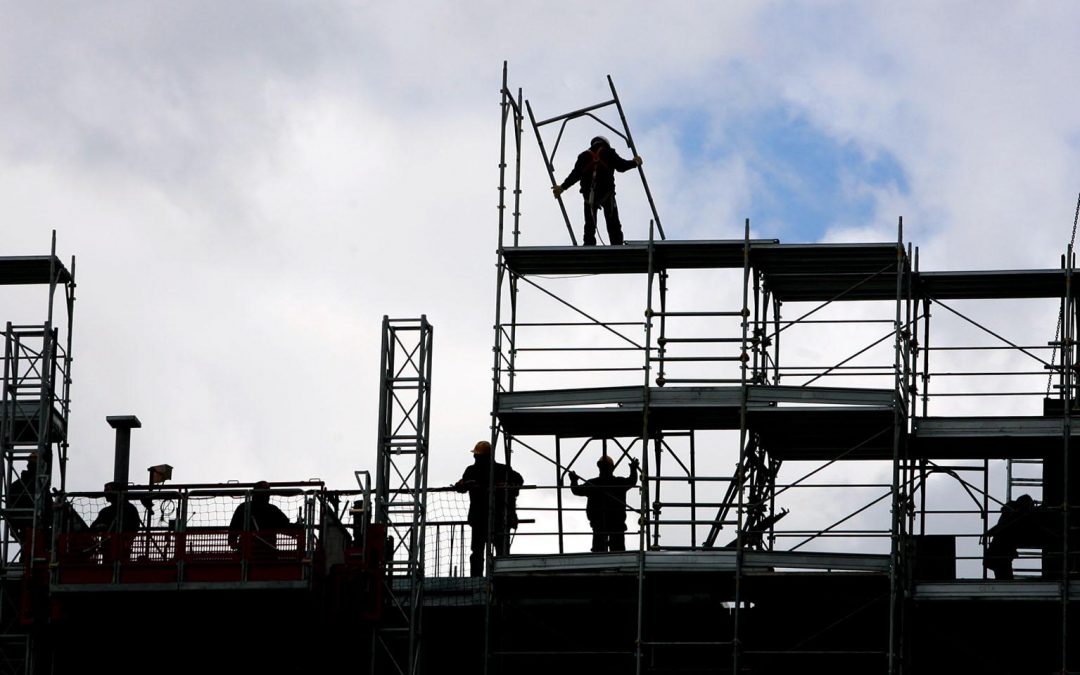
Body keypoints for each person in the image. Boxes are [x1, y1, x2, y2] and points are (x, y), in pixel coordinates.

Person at [552, 136, 643, 246]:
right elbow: (621, 166)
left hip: (589, 194)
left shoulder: (583, 156)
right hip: (606, 192)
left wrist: (561, 188)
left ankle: (588, 245)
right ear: (605, 144)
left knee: (589, 224)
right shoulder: (608, 152)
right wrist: (635, 162)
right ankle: (617, 246)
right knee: (613, 223)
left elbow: (575, 175)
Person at [455, 441, 524, 577]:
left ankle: (478, 578)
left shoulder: (473, 470)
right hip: (495, 517)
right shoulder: (501, 469)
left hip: (485, 517)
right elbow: (519, 481)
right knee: (498, 550)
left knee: (480, 551)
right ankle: (502, 575)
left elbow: (518, 481)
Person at [569, 454, 639, 552]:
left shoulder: (593, 484)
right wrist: (633, 468)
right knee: (618, 552)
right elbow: (632, 480)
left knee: (599, 552)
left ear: (599, 467)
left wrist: (573, 480)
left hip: (599, 524)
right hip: (615, 524)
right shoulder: (618, 482)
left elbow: (576, 490)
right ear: (612, 468)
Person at [228, 481, 296, 557]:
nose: (267, 494)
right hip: (266, 554)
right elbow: (285, 527)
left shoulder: (244, 507)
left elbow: (233, 530)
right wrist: (297, 529)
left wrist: (233, 543)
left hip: (250, 553)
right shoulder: (272, 510)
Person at [90, 481, 142, 561]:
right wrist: (99, 527)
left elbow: (134, 527)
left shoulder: (129, 509)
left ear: (117, 491)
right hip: (108, 549)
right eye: (105, 490)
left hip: (122, 547)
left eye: (108, 490)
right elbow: (92, 528)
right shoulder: (105, 511)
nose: (106, 493)